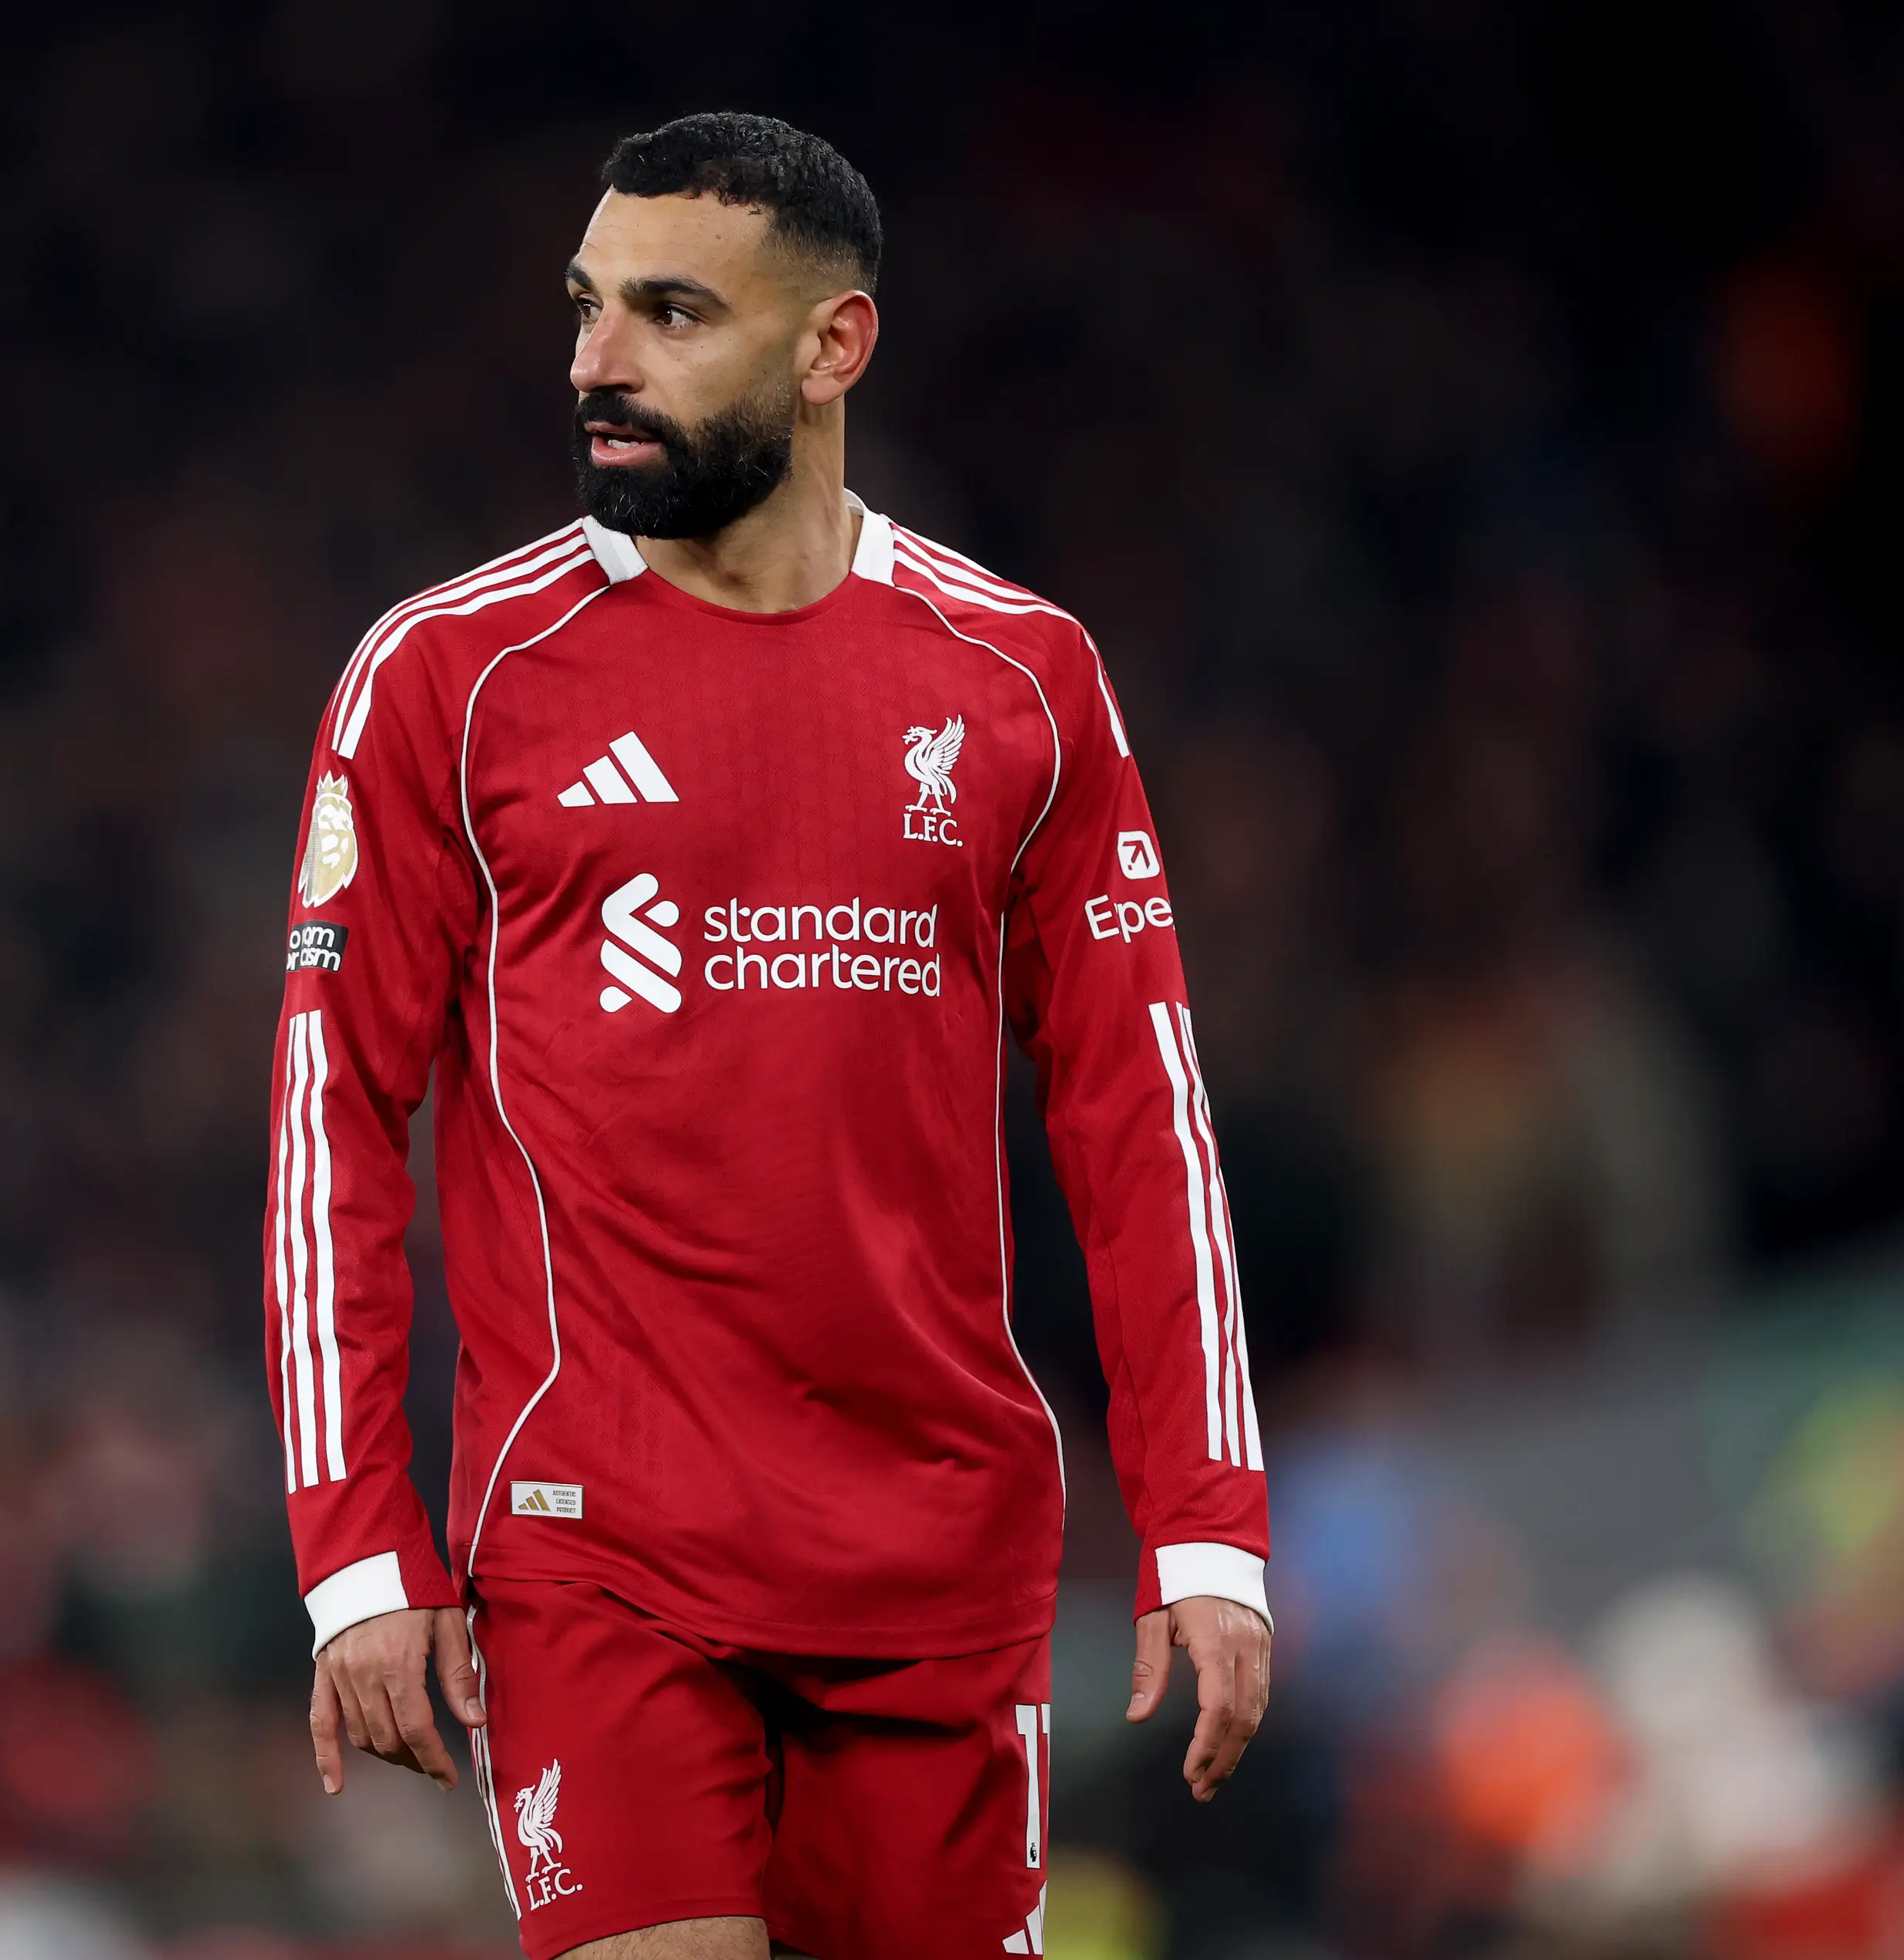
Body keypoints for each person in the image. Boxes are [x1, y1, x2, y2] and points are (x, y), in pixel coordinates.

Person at [266, 112, 1270, 1959]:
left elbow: (1142, 1115)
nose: (596, 363)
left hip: (937, 1558)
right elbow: (331, 1115)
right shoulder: (447, 679)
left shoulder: (1017, 678)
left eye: (668, 314)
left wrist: (1206, 1527)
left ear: (834, 348)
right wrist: (354, 1552)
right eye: (584, 310)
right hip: (600, 1549)